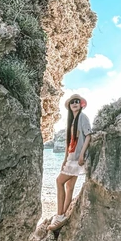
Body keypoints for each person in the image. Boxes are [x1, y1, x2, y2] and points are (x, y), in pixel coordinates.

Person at [48, 93, 93, 231]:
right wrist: (64, 160)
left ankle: (60, 214)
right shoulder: (72, 121)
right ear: (69, 106)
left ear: (80, 105)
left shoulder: (83, 117)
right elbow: (69, 143)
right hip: (70, 158)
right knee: (69, 187)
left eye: (77, 101)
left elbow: (88, 136)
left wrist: (81, 155)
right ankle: (63, 215)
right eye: (72, 102)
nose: (74, 103)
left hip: (76, 159)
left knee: (59, 181)